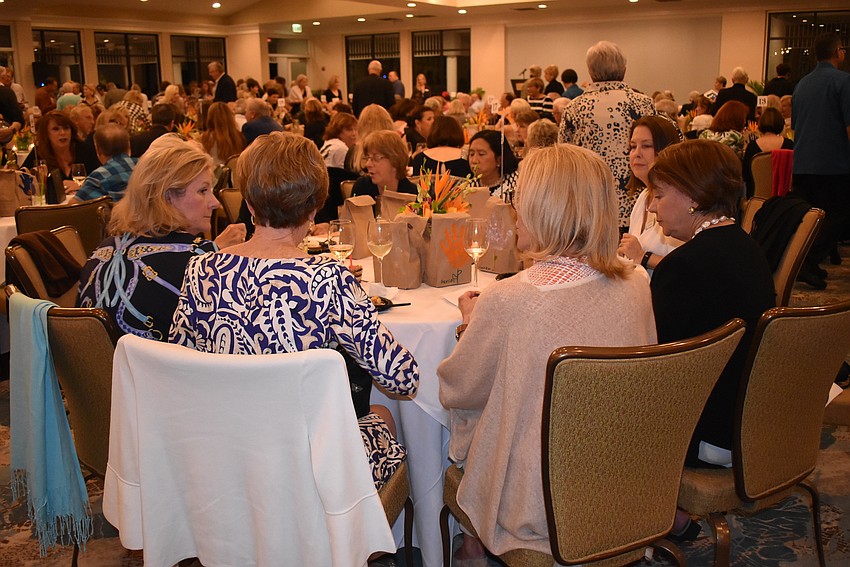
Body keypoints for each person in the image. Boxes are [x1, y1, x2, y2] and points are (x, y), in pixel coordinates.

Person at [438, 143, 656, 560]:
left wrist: (469, 326)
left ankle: (470, 545)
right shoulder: (638, 283)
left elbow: (459, 390)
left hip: (538, 500)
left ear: (544, 211)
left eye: (521, 207)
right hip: (625, 478)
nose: (515, 217)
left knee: (466, 417)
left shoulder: (509, 299)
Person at [168, 132, 419, 491]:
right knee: (381, 414)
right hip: (309, 470)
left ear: (250, 205)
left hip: (226, 459)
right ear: (314, 207)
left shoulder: (200, 269)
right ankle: (348, 542)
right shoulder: (327, 277)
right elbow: (403, 378)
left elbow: (182, 366)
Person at [649, 139, 774, 469]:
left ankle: (657, 513)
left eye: (659, 195)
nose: (651, 207)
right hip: (747, 419)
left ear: (693, 197)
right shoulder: (746, 247)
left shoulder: (686, 265)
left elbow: (652, 362)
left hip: (706, 431)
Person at [77, 134, 246, 339]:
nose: (215, 203)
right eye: (203, 190)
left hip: (104, 370)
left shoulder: (100, 253)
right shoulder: (200, 263)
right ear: (167, 197)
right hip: (161, 370)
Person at [558, 41, 655, 229]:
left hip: (590, 206)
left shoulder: (575, 108)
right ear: (624, 70)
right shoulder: (644, 104)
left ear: (590, 71)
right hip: (636, 204)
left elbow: (563, 158)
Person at [791, 32, 850, 290]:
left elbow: (794, 126)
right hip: (833, 163)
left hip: (803, 161)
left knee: (811, 218)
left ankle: (804, 262)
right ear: (838, 52)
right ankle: (808, 261)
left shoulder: (802, 84)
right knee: (839, 216)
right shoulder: (843, 81)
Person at [618, 115, 684, 274]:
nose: (637, 154)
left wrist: (644, 257)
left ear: (665, 150)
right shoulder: (642, 197)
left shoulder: (678, 201)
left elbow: (690, 266)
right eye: (633, 147)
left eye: (646, 146)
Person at [26, 111, 100, 203]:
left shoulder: (83, 149)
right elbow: (23, 177)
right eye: (56, 129)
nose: (62, 133)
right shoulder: (39, 153)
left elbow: (101, 178)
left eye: (66, 128)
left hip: (82, 204)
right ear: (46, 134)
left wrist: (83, 185)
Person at [72, 123, 138, 203]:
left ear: (98, 150)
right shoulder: (144, 165)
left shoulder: (99, 176)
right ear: (129, 145)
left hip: (117, 215)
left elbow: (72, 208)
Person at [352, 130, 418, 207]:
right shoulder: (362, 187)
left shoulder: (413, 194)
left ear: (395, 161)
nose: (368, 164)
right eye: (368, 158)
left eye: (376, 157)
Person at [742, 107, 794, 198]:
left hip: (756, 200)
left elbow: (746, 176)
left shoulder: (752, 147)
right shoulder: (789, 145)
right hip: (784, 199)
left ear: (760, 123)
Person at [467, 129, 518, 199]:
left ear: (499, 159)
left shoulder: (515, 184)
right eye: (471, 154)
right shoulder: (469, 186)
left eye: (481, 154)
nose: (474, 160)